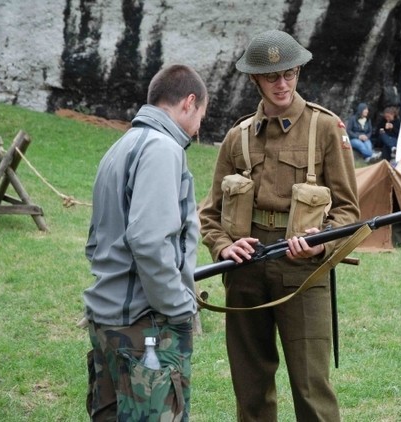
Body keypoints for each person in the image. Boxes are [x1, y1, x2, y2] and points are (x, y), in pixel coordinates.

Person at [199, 30, 360, 421]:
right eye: (272, 77)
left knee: (311, 387)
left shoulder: (324, 128)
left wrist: (321, 243)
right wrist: (223, 248)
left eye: (289, 73)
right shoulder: (236, 136)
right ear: (255, 79)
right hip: (245, 268)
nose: (282, 84)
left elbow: (349, 213)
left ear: (299, 71)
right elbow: (210, 214)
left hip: (302, 271)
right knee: (250, 384)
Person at [83, 64, 208, 421]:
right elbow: (149, 241)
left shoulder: (121, 146)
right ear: (189, 102)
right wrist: (179, 307)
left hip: (108, 321)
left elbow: (95, 242)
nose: (200, 126)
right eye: (202, 113)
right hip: (145, 325)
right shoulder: (162, 148)